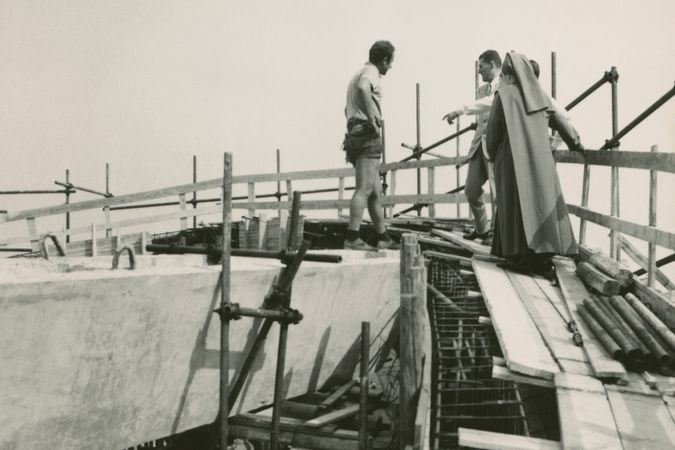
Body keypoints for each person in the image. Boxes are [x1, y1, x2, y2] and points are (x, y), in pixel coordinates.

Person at [486, 52, 584, 276]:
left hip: (511, 160)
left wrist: (493, 154)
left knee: (514, 205)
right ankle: (542, 257)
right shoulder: (540, 95)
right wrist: (576, 144)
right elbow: (561, 122)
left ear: (509, 74)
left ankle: (520, 258)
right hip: (541, 159)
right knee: (540, 203)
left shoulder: (503, 95)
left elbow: (493, 133)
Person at [342, 40, 398, 250]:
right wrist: (372, 121)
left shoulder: (358, 72)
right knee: (364, 189)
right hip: (366, 135)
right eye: (391, 61)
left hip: (355, 134)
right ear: (384, 60)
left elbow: (346, 109)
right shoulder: (371, 72)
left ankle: (383, 238)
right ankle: (352, 237)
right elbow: (364, 88)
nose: (390, 66)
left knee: (374, 192)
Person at [443, 50, 502, 245]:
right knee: (471, 189)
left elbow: (491, 105)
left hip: (496, 146)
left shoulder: (505, 85)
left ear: (493, 65)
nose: (479, 72)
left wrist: (460, 110)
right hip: (479, 145)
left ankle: (499, 236)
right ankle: (483, 229)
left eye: (482, 67)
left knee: (497, 194)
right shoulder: (481, 91)